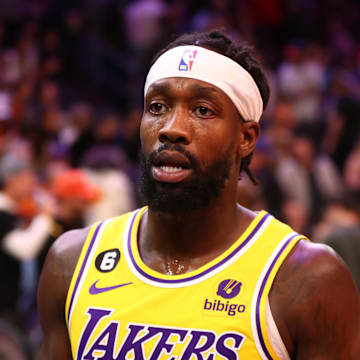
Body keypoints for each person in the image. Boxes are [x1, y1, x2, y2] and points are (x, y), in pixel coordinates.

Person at [38, 30, 360, 359]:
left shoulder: (306, 279)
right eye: (158, 106)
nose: (171, 128)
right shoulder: (72, 262)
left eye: (203, 110)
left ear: (246, 138)